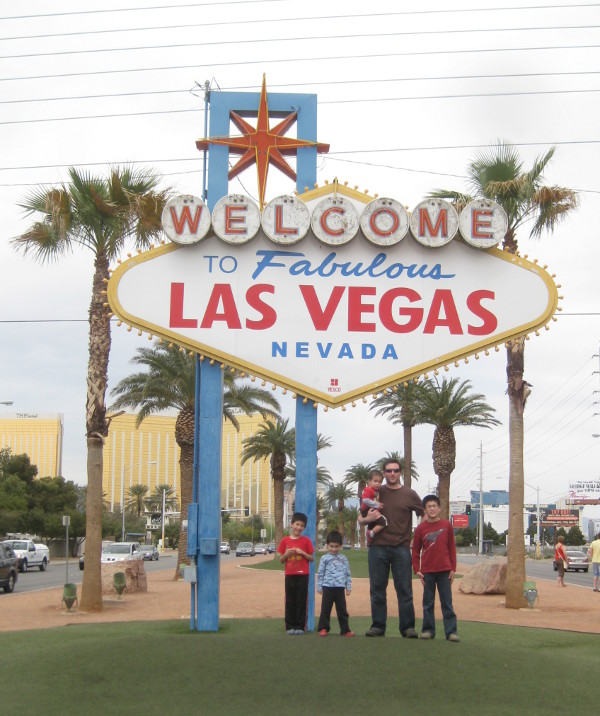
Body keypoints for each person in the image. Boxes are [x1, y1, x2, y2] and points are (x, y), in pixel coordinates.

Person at [358, 458, 423, 638]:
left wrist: (418, 537)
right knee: (377, 588)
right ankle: (378, 626)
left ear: (400, 472)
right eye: (388, 471)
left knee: (404, 589)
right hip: (377, 547)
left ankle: (408, 627)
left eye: (395, 470)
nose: (392, 474)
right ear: (384, 473)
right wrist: (366, 520)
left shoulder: (410, 494)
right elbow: (361, 516)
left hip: (401, 549)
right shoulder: (376, 490)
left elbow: (423, 513)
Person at [412, 494, 459, 642]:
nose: (432, 509)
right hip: (428, 572)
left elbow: (451, 548)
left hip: (444, 570)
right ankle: (427, 630)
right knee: (428, 602)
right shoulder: (420, 528)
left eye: (434, 506)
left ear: (439, 508)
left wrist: (453, 568)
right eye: (428, 507)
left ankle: (451, 632)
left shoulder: (446, 525)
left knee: (447, 602)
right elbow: (415, 550)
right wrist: (417, 569)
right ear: (425, 510)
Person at [277, 512, 315, 634]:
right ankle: (290, 627)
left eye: (302, 525)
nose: (299, 527)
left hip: (303, 574)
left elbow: (311, 558)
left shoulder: (306, 541)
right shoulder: (284, 541)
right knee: (290, 600)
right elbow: (281, 560)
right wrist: (287, 554)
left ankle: (300, 627)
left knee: (301, 600)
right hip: (290, 574)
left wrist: (302, 553)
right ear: (291, 524)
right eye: (297, 524)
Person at [316, 530, 354, 637]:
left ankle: (345, 630)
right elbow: (320, 573)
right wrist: (319, 586)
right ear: (327, 545)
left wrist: (348, 587)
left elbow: (347, 573)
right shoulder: (324, 558)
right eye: (331, 546)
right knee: (325, 609)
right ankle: (323, 628)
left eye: (336, 546)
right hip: (327, 587)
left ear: (341, 546)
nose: (333, 549)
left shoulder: (343, 559)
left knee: (342, 610)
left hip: (339, 588)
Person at [360, 469, 387, 543]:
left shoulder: (375, 491)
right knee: (382, 522)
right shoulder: (369, 489)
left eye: (380, 482)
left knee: (373, 524)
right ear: (369, 481)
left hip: (367, 510)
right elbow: (365, 500)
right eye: (375, 481)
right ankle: (371, 533)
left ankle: (370, 539)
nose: (377, 483)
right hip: (366, 510)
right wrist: (376, 504)